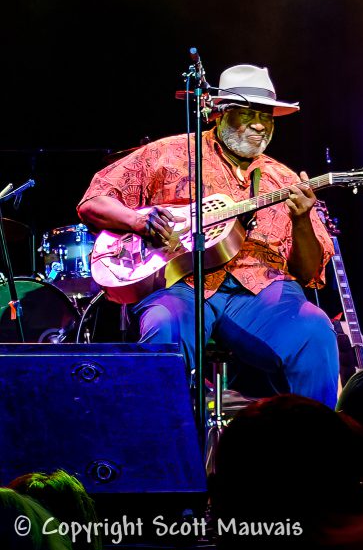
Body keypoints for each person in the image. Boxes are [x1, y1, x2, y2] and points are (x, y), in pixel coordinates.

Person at [78, 64, 339, 408]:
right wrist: (138, 222)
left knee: (315, 331)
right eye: (247, 113)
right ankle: (161, 448)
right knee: (162, 325)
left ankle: (317, 452)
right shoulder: (167, 153)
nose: (260, 124)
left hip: (264, 294)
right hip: (180, 286)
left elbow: (309, 273)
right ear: (218, 113)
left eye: (267, 116)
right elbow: (93, 202)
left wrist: (302, 218)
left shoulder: (284, 178)